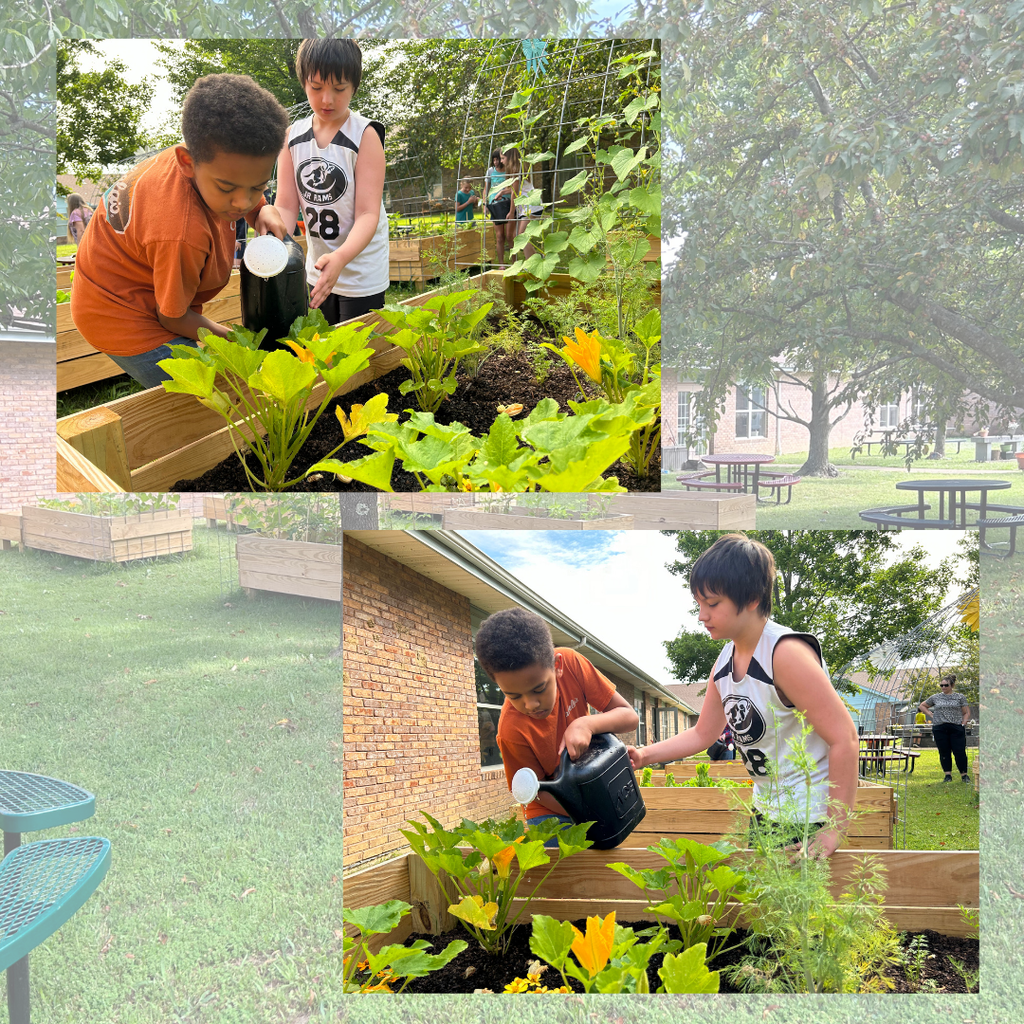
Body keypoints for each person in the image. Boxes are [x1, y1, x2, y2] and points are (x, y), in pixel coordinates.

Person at [626, 533, 859, 858]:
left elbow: (844, 738)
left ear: (751, 598)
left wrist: (835, 829)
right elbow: (703, 733)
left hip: (809, 813)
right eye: (699, 604)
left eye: (712, 603)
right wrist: (644, 756)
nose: (701, 615)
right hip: (765, 810)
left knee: (798, 908)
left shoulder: (785, 654)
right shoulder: (724, 663)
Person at [70, 74, 289, 389]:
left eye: (258, 186)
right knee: (207, 399)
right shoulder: (181, 232)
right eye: (227, 188)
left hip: (136, 279)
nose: (243, 202)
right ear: (187, 162)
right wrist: (233, 339)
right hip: (119, 313)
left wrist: (263, 208)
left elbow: (242, 183)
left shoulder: (211, 158)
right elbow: (172, 317)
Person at [475, 607, 639, 844]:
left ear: (557, 665)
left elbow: (629, 717)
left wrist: (586, 724)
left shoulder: (572, 665)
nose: (530, 704)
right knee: (570, 873)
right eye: (513, 696)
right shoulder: (511, 731)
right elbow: (535, 792)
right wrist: (588, 810)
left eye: (539, 689)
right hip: (550, 811)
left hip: (594, 786)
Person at [274, 38, 389, 325]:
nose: (327, 99)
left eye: (339, 89)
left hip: (361, 269)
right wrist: (275, 247)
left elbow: (367, 213)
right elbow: (287, 205)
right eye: (316, 87)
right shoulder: (291, 138)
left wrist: (340, 258)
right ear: (304, 83)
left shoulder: (365, 135)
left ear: (354, 86)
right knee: (321, 352)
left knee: (359, 358)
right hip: (319, 267)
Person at [919, 674, 971, 782]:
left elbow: (966, 712)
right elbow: (922, 705)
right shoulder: (935, 697)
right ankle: (948, 775)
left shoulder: (960, 697)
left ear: (952, 685)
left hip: (956, 727)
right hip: (940, 727)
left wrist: (963, 723)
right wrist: (931, 714)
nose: (943, 687)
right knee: (944, 751)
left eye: (946, 685)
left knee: (959, 751)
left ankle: (964, 775)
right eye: (941, 685)